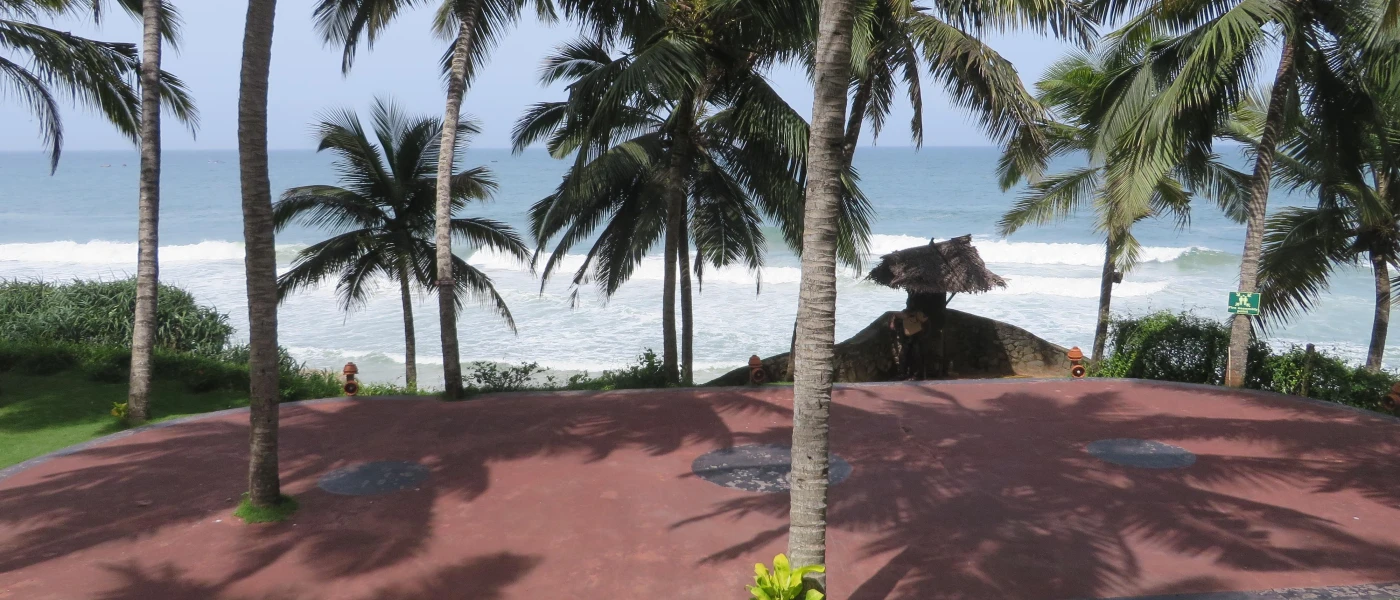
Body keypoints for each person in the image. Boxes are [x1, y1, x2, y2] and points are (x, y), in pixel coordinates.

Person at [889, 308, 929, 380]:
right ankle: (903, 374)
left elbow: (926, 321)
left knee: (917, 355)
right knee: (903, 356)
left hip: (916, 336)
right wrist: (892, 323)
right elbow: (895, 315)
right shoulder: (903, 312)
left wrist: (924, 333)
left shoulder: (918, 313)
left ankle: (918, 374)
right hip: (907, 337)